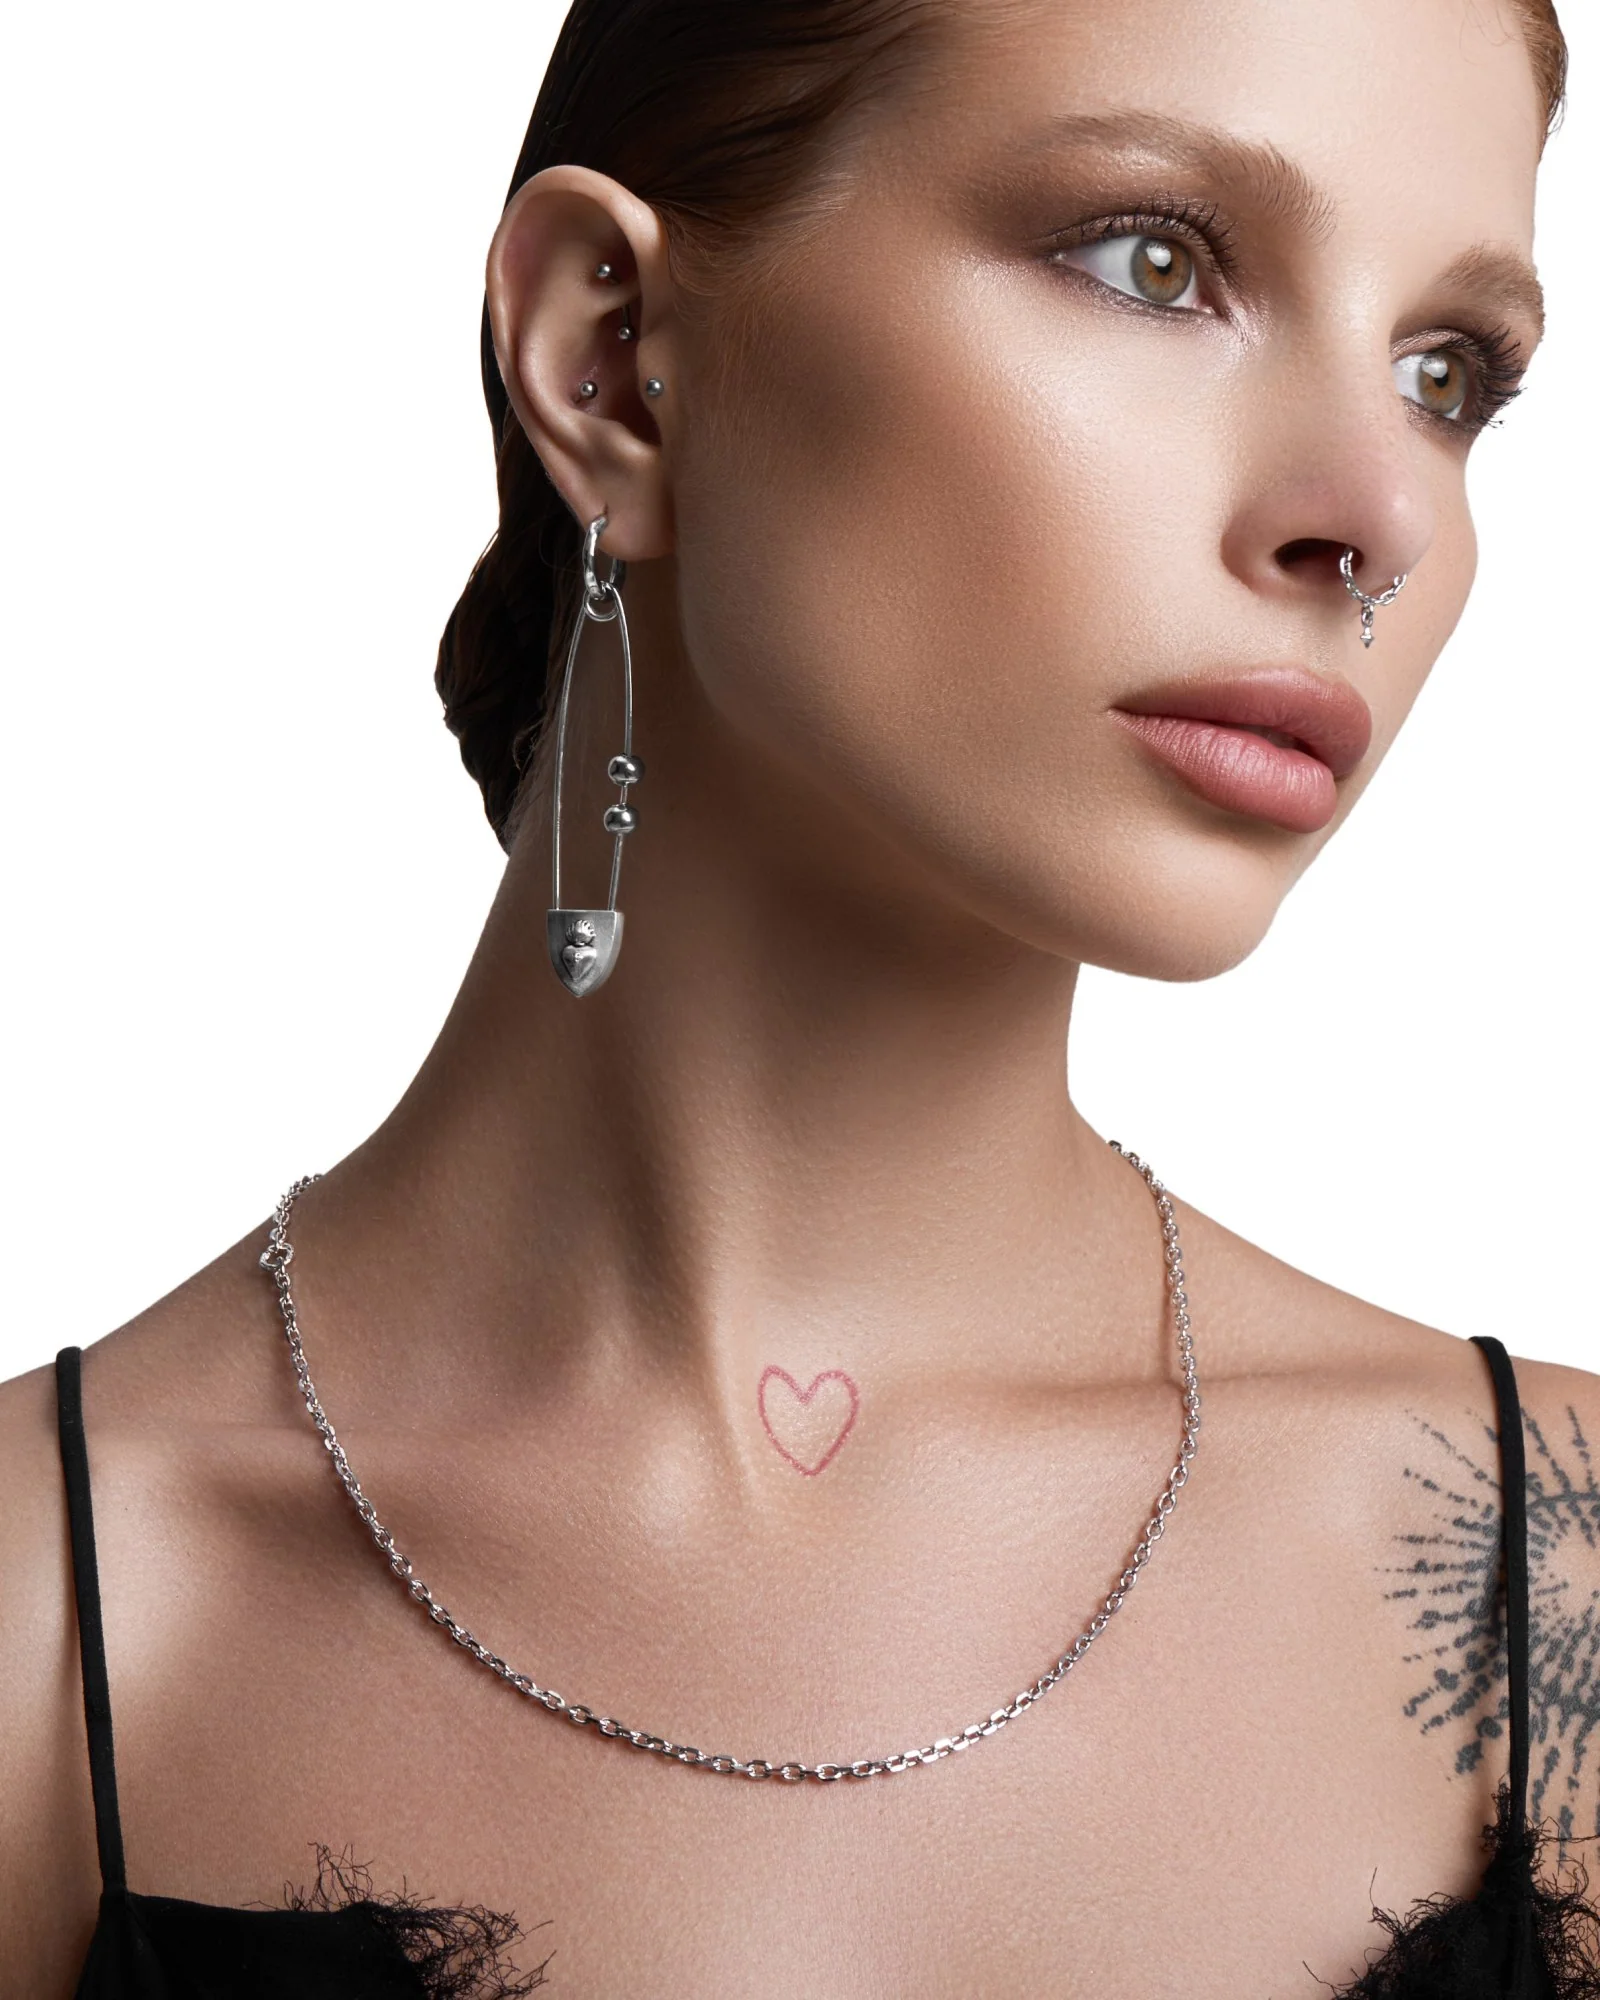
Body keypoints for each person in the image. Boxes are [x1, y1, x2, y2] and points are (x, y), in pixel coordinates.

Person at [1, 0, 1592, 1992]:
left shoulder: (1557, 1585)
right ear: (612, 362)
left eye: (1447, 375)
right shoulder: (48, 1621)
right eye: (1152, 261)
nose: (1375, 519)